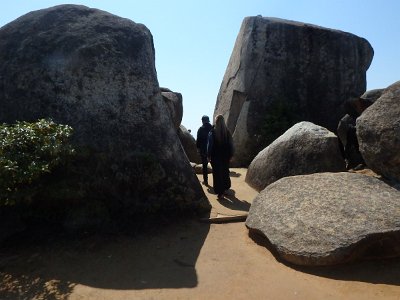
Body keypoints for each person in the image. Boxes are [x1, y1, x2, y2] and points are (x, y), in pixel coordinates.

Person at [207, 114, 234, 198]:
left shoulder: (212, 132)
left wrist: (208, 155)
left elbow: (209, 145)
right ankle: (226, 189)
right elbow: (231, 145)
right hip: (226, 156)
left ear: (216, 121)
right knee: (225, 172)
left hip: (215, 156)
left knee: (217, 174)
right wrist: (231, 155)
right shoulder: (227, 132)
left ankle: (220, 193)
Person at [196, 115, 212, 185]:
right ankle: (217, 183)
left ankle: (205, 181)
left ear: (202, 121)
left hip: (203, 150)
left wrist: (198, 149)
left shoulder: (200, 129)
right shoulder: (212, 128)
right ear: (208, 120)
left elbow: (198, 141)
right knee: (215, 165)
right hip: (212, 149)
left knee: (205, 166)